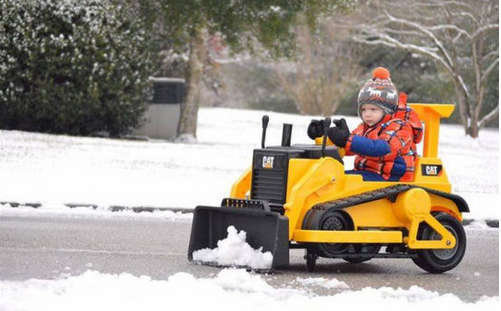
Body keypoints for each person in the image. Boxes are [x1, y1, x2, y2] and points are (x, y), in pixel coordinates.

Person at [307, 67, 421, 182]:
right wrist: (325, 137)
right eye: (364, 109)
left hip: (389, 178)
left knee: (340, 182)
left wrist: (347, 139)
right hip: (368, 173)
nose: (367, 114)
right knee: (332, 179)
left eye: (373, 109)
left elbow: (382, 149)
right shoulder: (365, 127)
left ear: (387, 110)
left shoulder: (400, 127)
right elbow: (348, 149)